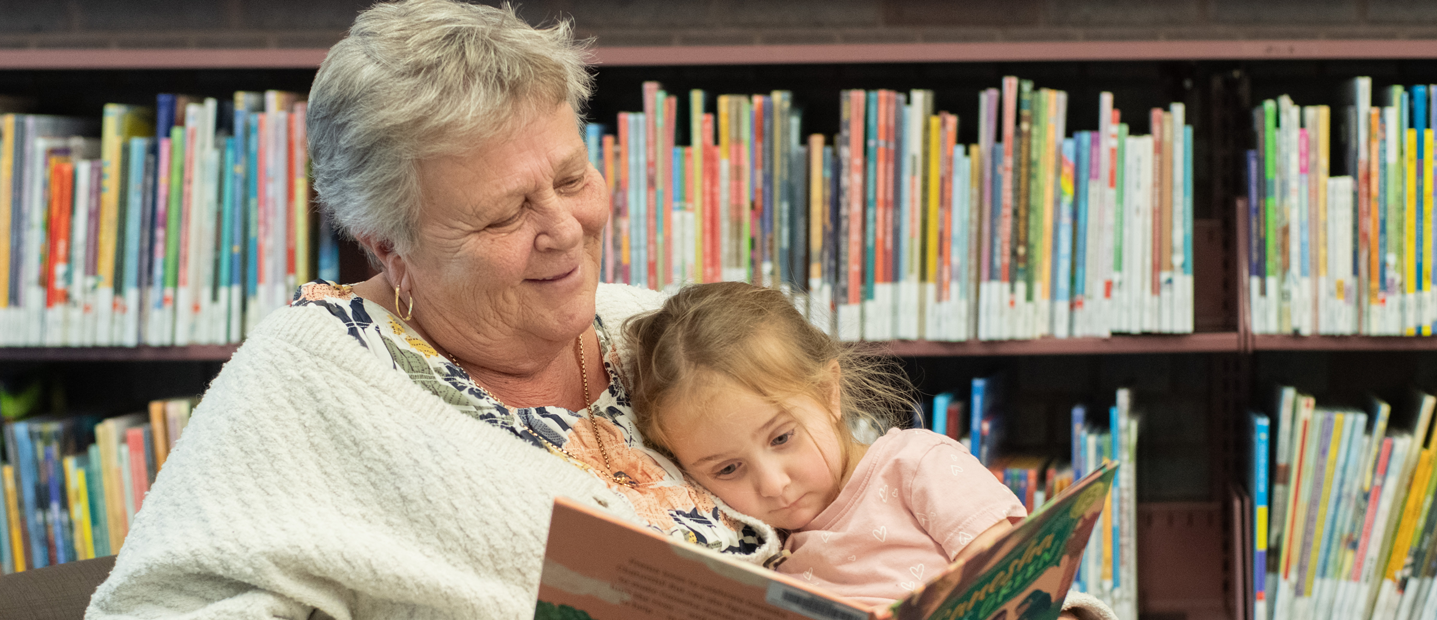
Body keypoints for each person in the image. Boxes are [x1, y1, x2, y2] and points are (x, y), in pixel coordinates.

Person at [85, 1, 774, 618]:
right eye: (505, 214)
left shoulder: (656, 328)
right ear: (391, 248)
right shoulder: (304, 381)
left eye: (571, 178)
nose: (566, 228)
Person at [622, 282, 1116, 619]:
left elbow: (1016, 587)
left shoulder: (917, 466)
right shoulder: (765, 547)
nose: (773, 484)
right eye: (728, 468)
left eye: (781, 438)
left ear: (827, 393)